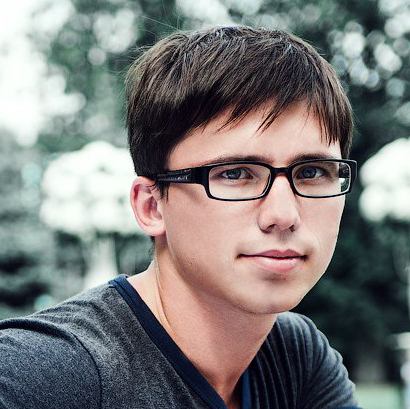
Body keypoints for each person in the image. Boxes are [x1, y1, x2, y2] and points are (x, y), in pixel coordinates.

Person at [0, 26, 361, 408]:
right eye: (235, 174)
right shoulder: (43, 373)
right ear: (151, 206)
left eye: (312, 172)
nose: (284, 215)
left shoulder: (295, 359)